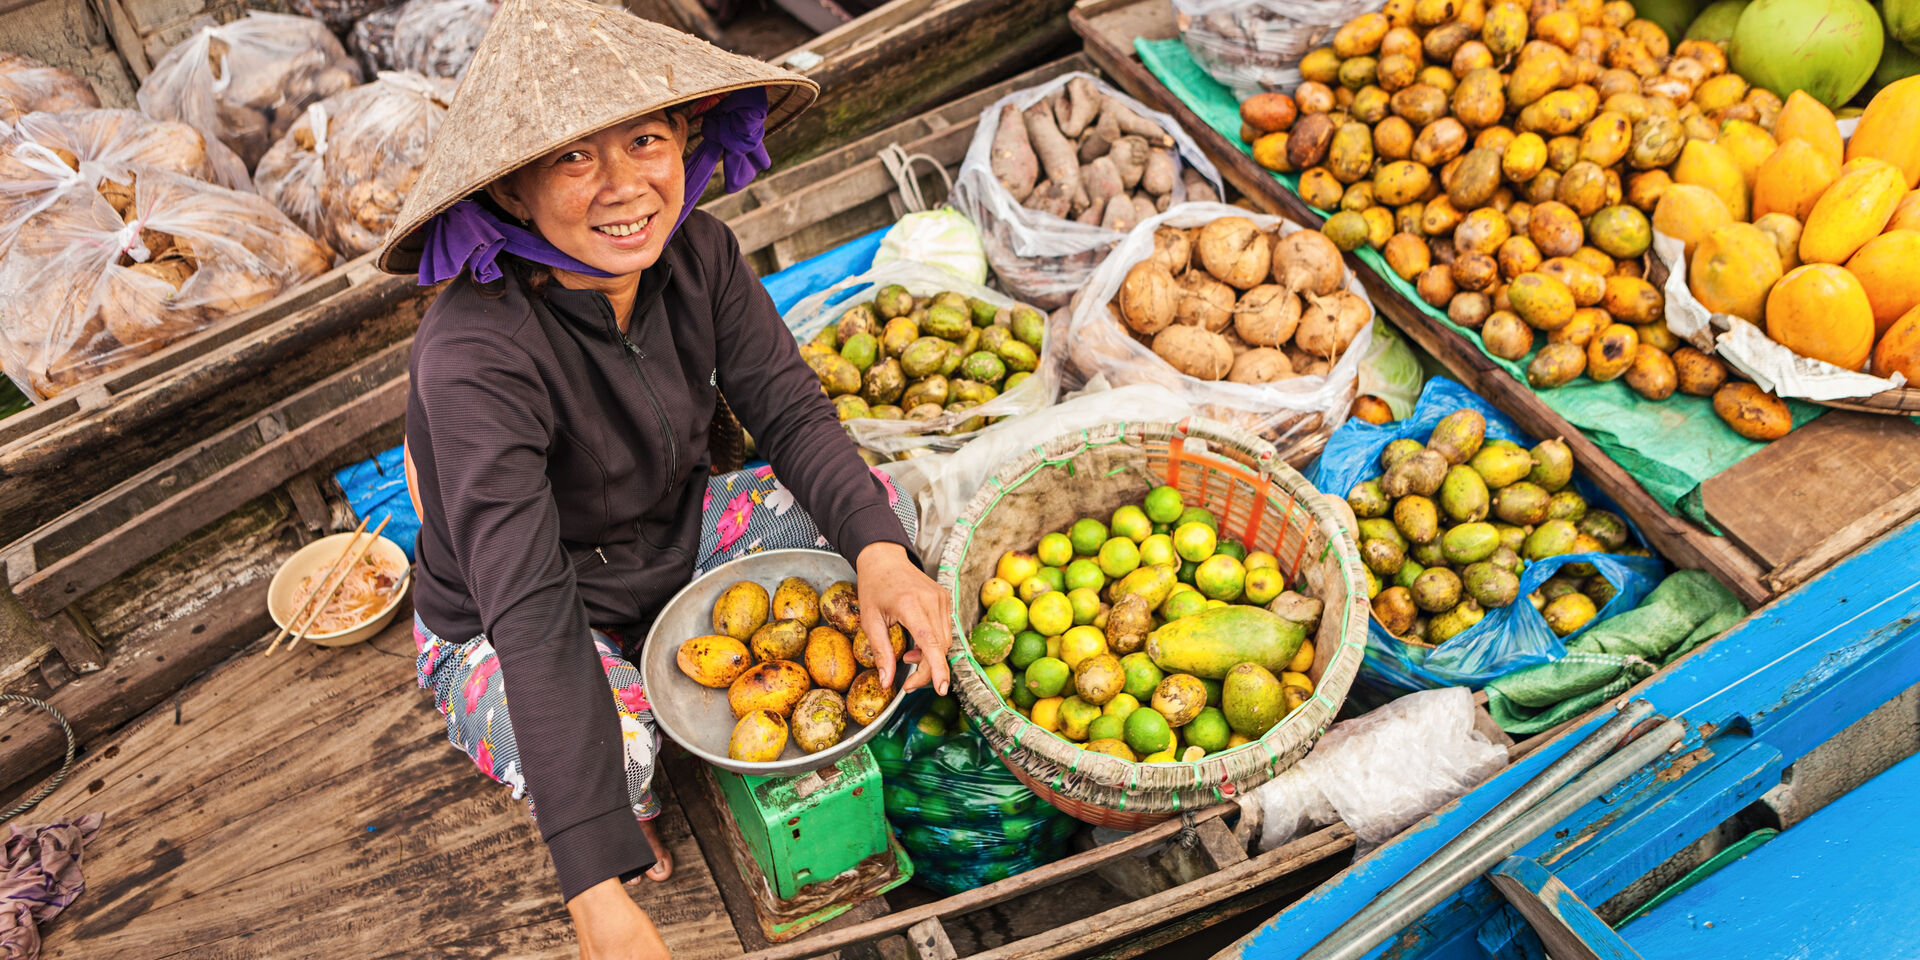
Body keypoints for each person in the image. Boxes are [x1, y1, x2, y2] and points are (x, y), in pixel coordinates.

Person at [374, 1, 954, 956]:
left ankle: (666, 672)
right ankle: (613, 783)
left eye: (644, 140)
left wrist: (884, 558)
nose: (623, 187)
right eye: (572, 158)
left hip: (679, 541)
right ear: (513, 192)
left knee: (881, 515)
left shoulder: (701, 254)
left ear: (686, 135)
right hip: (507, 614)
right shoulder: (473, 351)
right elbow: (523, 601)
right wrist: (592, 888)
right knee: (625, 766)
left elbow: (794, 414)